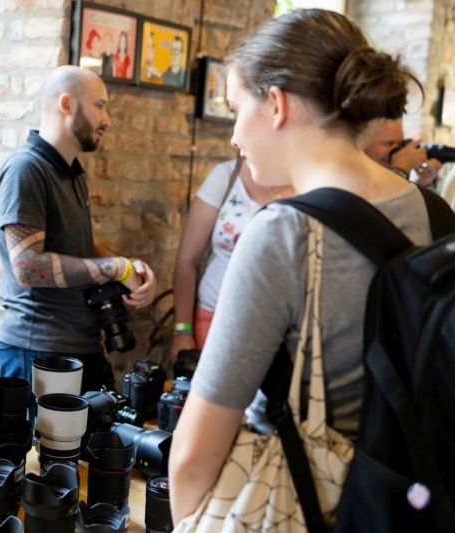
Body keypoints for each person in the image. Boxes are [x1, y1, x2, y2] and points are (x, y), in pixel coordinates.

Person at [168, 8, 431, 524]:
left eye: (237, 109)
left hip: (315, 508)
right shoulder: (435, 213)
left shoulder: (283, 235)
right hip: (414, 504)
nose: (233, 136)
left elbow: (193, 460)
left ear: (276, 105)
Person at [0, 65, 157, 393]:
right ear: (66, 105)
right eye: (100, 106)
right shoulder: (26, 169)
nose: (107, 120)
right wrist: (115, 268)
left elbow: (82, 246)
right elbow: (28, 267)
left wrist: (129, 265)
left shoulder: (72, 172)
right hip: (37, 349)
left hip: (82, 344)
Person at [169, 156, 292, 359]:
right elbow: (187, 261)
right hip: (212, 320)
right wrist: (183, 331)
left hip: (277, 329)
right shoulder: (226, 176)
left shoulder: (304, 183)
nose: (235, 143)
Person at [362, 117, 442, 187]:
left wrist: (422, 183)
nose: (398, 151)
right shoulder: (359, 178)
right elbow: (383, 197)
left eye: (400, 144)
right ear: (364, 144)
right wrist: (400, 170)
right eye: (389, 143)